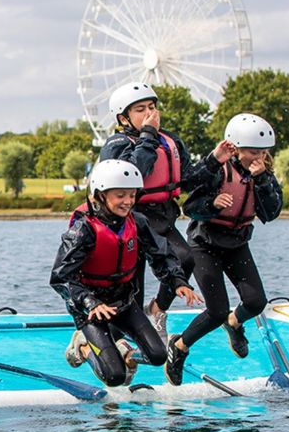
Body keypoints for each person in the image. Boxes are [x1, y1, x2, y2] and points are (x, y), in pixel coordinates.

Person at [51, 159, 201, 387]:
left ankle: (127, 354)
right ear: (100, 195)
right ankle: (81, 347)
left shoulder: (138, 222)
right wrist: (90, 302)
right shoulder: (83, 230)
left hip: (123, 302)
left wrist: (178, 280)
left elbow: (161, 254)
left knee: (158, 355)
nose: (128, 201)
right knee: (114, 377)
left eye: (132, 195)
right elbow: (60, 277)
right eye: (120, 195)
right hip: (91, 310)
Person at [164, 114, 283, 385]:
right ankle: (179, 346)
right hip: (204, 244)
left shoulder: (263, 174)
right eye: (253, 152)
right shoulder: (219, 170)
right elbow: (190, 206)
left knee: (256, 303)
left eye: (264, 153)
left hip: (237, 243)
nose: (259, 158)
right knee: (216, 310)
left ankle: (235, 322)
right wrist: (213, 205)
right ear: (236, 148)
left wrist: (263, 180)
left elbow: (271, 213)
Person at [98, 81, 219, 342]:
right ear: (123, 118)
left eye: (152, 107)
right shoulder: (117, 143)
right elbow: (131, 175)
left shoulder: (170, 141)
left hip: (162, 219)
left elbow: (188, 179)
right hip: (128, 222)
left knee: (185, 259)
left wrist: (214, 160)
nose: (150, 113)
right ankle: (116, 347)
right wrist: (148, 136)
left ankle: (157, 309)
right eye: (140, 109)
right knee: (131, 292)